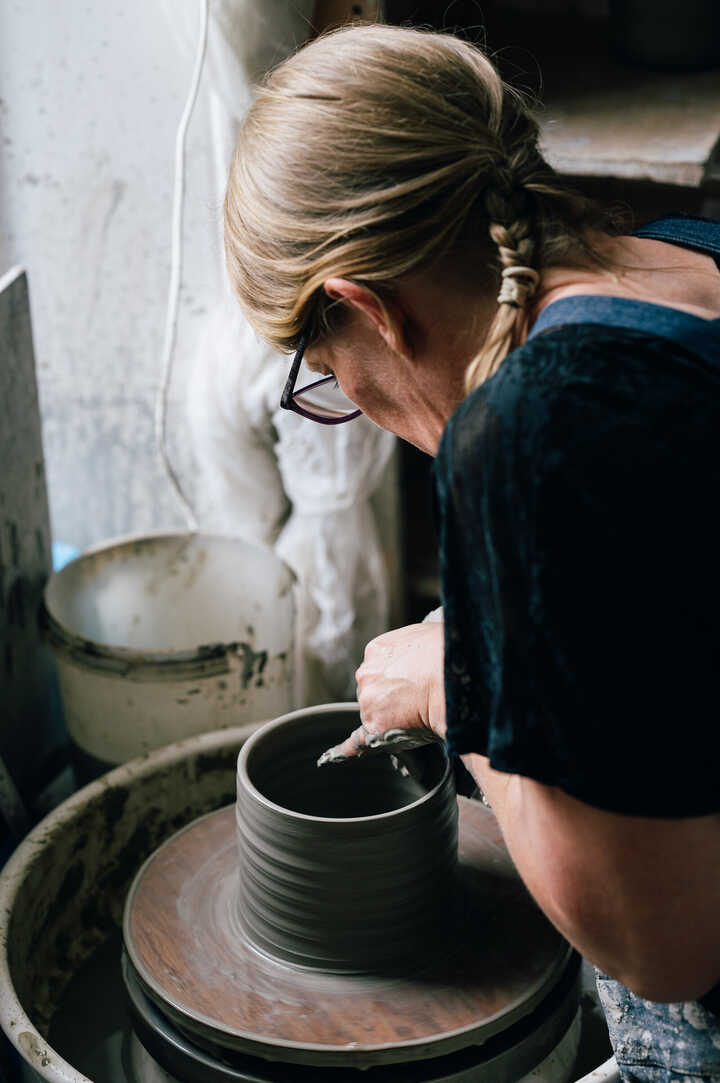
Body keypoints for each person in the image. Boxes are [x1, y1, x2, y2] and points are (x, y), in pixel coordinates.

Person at [222, 23, 720, 1082]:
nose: (345, 400)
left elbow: (666, 949)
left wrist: (458, 689)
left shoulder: (536, 434)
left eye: (322, 370)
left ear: (363, 308)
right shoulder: (686, 249)